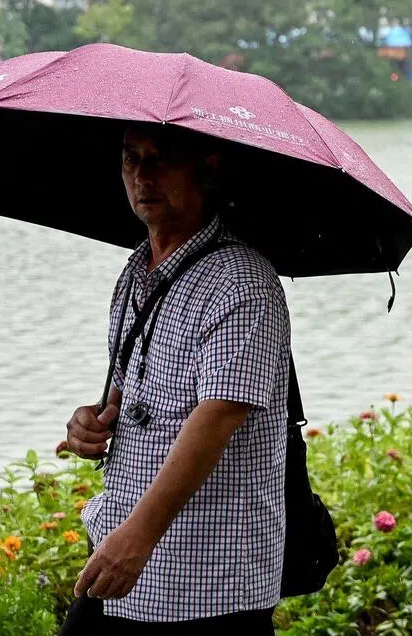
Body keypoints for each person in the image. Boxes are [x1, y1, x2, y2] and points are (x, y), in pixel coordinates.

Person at [60, 124, 291, 634]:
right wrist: (89, 423)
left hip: (207, 586)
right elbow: (128, 394)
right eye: (130, 158)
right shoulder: (137, 270)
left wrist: (138, 538)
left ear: (207, 171)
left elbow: (219, 415)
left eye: (161, 159)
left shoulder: (243, 281)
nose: (142, 175)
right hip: (123, 560)